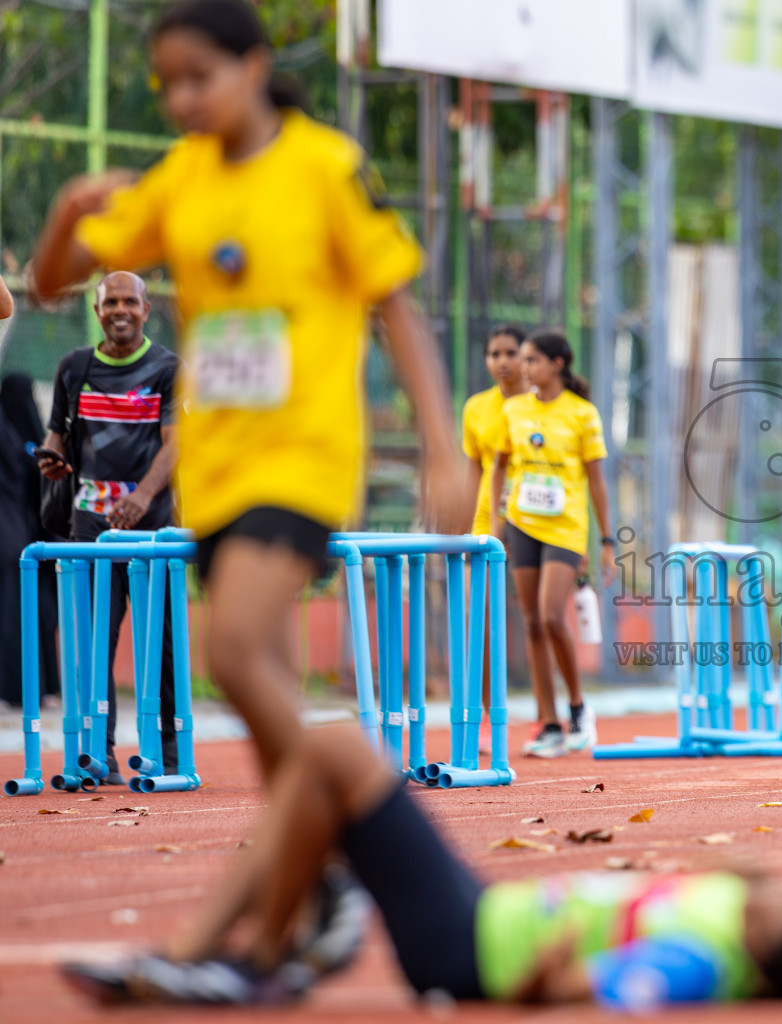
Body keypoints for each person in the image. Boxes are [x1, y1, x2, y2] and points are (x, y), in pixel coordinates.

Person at [29, 0, 476, 783]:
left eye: (199, 78)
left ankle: (375, 817)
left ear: (255, 68)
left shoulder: (324, 167)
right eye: (167, 84)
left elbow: (397, 311)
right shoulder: (182, 180)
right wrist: (70, 206)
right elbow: (48, 283)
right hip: (218, 468)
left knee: (230, 650)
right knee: (261, 685)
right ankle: (318, 871)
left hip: (305, 456)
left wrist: (443, 449)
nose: (181, 101)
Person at [61, 724, 782, 1008]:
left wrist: (552, 981)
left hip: (465, 947)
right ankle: (282, 938)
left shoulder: (698, 963)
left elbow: (592, 993)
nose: (777, 900)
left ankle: (244, 954)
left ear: (767, 950)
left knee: (336, 749)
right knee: (324, 765)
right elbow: (748, 887)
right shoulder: (729, 920)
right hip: (481, 912)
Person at [34, 272, 180, 781]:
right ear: (97, 311)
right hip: (89, 529)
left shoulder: (166, 368)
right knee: (94, 648)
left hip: (153, 533)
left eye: (130, 302)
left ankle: (170, 751)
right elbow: (57, 433)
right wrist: (51, 458)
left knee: (159, 645)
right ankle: (101, 755)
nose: (120, 310)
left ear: (146, 309)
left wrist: (142, 496)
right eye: (110, 302)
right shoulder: (74, 367)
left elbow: (175, 442)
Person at [488, 332, 617, 758]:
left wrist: (605, 540)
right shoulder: (514, 409)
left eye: (533, 360)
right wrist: (496, 520)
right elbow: (499, 466)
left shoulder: (582, 414)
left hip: (565, 527)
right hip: (522, 524)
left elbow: (596, 481)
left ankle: (579, 708)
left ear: (558, 363)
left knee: (549, 615)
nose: (524, 368)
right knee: (530, 621)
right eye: (522, 360)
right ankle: (548, 723)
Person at [0, 374, 62, 708]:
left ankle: (35, 688)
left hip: (28, 540)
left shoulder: (21, 437)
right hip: (26, 540)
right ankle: (32, 689)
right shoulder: (20, 436)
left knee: (31, 613)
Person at [462, 324, 527, 537]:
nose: (502, 361)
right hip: (489, 512)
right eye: (494, 354)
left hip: (533, 512)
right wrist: (463, 525)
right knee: (477, 570)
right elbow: (474, 470)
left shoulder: (542, 405)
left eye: (511, 354)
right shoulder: (475, 407)